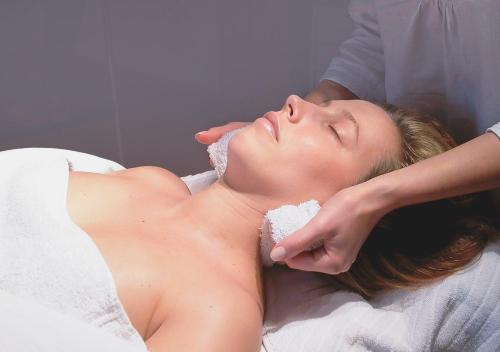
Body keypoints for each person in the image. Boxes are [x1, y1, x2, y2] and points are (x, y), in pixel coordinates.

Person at [195, 0, 500, 275]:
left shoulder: (225, 306)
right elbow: (376, 42)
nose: (293, 100)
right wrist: (282, 130)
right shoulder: (154, 183)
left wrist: (378, 196)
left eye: (334, 131)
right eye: (323, 111)